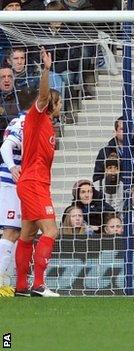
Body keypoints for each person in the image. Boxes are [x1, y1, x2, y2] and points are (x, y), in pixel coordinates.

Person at [14, 49, 60, 297]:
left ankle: (21, 287)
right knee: (51, 231)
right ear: (53, 103)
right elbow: (43, 95)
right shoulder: (37, 115)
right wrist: (46, 69)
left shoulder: (48, 125)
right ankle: (39, 285)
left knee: (28, 234)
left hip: (34, 182)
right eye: (60, 101)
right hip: (33, 183)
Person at [0, 110, 26, 296]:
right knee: (10, 231)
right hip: (11, 182)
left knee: (17, 232)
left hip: (19, 184)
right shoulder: (25, 121)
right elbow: (5, 147)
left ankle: (7, 281)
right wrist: (12, 168)